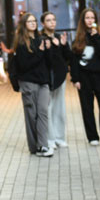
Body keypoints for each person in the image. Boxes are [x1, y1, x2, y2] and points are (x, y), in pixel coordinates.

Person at [71, 8, 100, 147]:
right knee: (87, 107)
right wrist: (75, 78)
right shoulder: (79, 38)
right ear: (83, 21)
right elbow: (74, 61)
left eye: (92, 18)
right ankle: (92, 136)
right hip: (84, 77)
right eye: (87, 18)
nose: (90, 20)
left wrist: (96, 37)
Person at [13, 12, 53, 157]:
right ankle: (34, 146)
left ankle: (43, 145)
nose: (33, 24)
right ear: (24, 24)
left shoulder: (41, 39)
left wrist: (48, 51)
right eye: (30, 22)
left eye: (34, 21)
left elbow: (49, 64)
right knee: (32, 115)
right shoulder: (21, 43)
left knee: (43, 112)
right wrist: (40, 53)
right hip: (28, 82)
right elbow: (24, 66)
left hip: (43, 82)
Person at [41, 12, 70, 149]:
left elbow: (67, 58)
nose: (52, 22)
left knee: (59, 108)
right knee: (48, 108)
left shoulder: (59, 37)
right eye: (48, 20)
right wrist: (53, 47)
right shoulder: (41, 39)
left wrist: (62, 46)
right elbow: (48, 60)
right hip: (46, 79)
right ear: (43, 23)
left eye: (53, 19)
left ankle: (60, 137)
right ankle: (50, 139)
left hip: (60, 78)